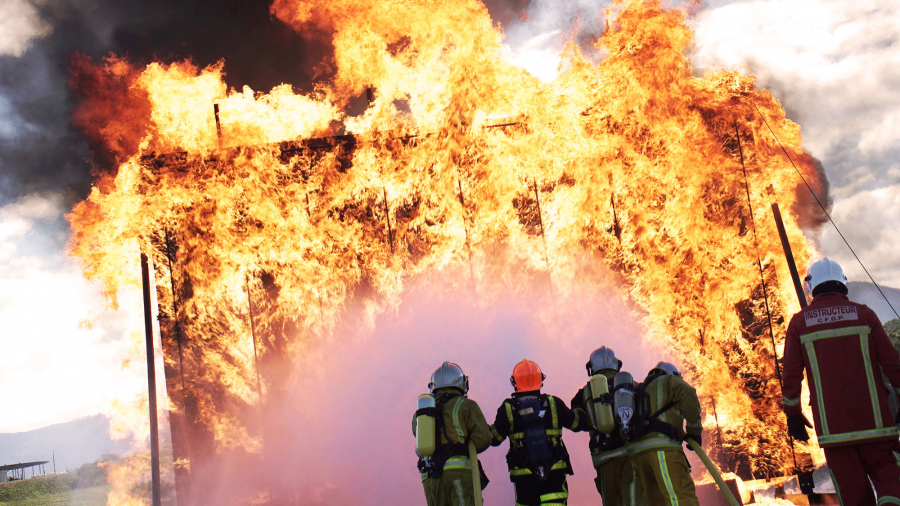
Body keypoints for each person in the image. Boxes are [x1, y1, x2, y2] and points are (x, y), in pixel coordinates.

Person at [783, 258, 900, 506]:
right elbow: (893, 364)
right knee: (891, 482)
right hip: (877, 425)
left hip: (835, 433)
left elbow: (791, 375)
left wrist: (793, 414)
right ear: (843, 283)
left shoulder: (799, 323)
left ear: (811, 287)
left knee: (854, 497)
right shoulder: (865, 315)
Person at [490, 359, 579, 506]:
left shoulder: (508, 409)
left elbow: (494, 438)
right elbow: (576, 423)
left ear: (514, 382)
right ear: (541, 380)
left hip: (524, 482)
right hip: (554, 477)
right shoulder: (554, 403)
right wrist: (581, 405)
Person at [571, 347, 645, 506]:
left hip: (603, 458)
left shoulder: (583, 393)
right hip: (629, 454)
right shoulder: (632, 385)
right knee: (633, 499)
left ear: (591, 368)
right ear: (617, 365)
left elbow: (577, 423)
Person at [414, 361, 492, 506]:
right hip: (459, 474)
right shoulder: (466, 405)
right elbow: (484, 439)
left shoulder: (424, 410)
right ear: (461, 383)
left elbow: (416, 432)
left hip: (433, 475)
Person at [628, 362, 701, 506]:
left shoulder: (639, 389)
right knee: (681, 498)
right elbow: (688, 393)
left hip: (638, 455)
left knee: (656, 501)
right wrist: (694, 432)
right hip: (662, 449)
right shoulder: (670, 380)